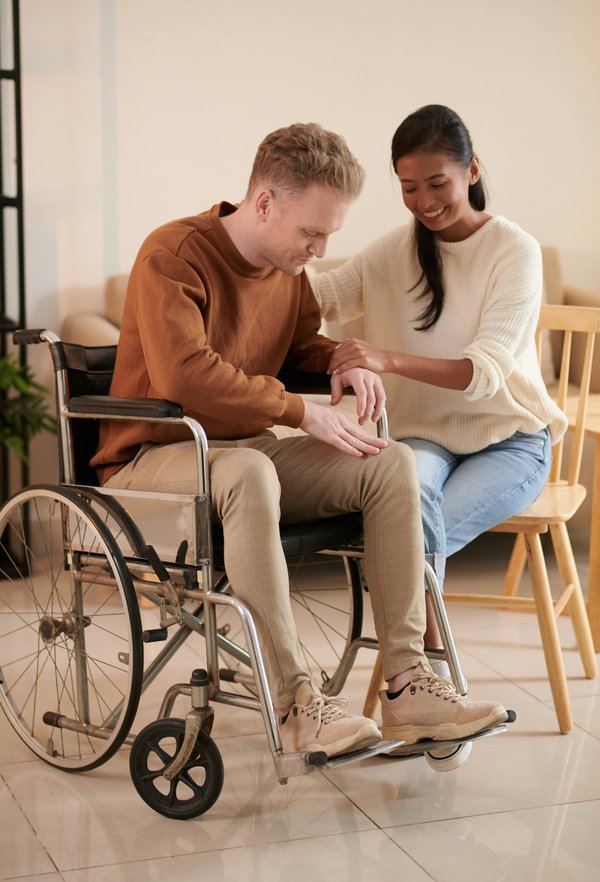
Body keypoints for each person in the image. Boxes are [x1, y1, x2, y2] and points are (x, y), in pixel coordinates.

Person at [91, 121, 509, 755]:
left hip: (240, 457)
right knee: (251, 471)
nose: (319, 249)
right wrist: (299, 413)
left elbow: (300, 347)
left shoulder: (287, 271)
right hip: (153, 459)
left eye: (329, 234)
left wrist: (345, 359)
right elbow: (185, 373)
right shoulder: (173, 254)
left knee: (390, 462)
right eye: (312, 232)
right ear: (264, 203)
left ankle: (407, 684)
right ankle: (296, 702)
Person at [314, 105, 567, 662]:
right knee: (405, 512)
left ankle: (421, 671)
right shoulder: (391, 252)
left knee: (404, 536)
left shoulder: (513, 251)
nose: (424, 201)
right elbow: (319, 299)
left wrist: (385, 359)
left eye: (437, 183)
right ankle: (427, 677)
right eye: (409, 188)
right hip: (424, 438)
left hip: (509, 442)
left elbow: (483, 372)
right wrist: (270, 254)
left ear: (471, 170)